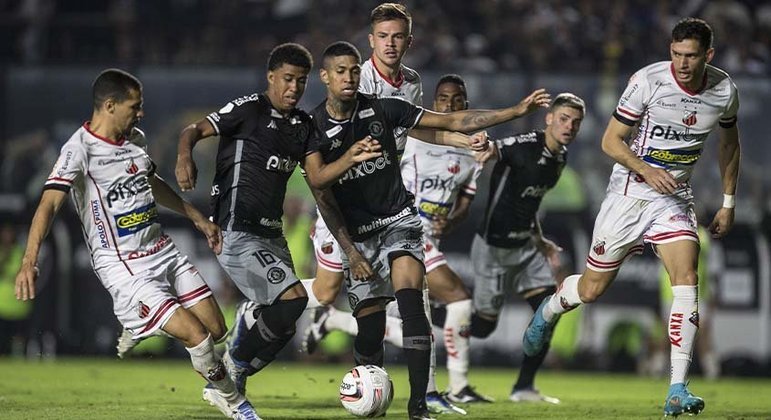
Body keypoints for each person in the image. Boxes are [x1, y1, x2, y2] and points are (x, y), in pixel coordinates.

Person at [307, 41, 549, 420]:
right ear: (324, 76)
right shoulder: (314, 127)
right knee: (369, 330)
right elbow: (321, 190)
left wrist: (516, 111)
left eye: (355, 70)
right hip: (357, 234)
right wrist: (351, 252)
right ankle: (373, 399)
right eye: (341, 71)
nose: (350, 77)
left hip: (398, 220)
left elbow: (452, 122)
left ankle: (419, 406)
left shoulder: (382, 108)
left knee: (412, 305)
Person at [522, 18, 741, 417]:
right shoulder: (648, 81)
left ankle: (677, 387)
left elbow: (729, 144)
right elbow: (610, 140)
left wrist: (727, 202)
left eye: (691, 56)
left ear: (708, 55)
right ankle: (552, 307)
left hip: (673, 199)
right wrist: (646, 169)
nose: (682, 64)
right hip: (628, 195)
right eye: (676, 55)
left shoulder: (724, 90)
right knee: (590, 291)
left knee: (687, 278)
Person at [13, 68, 258, 419]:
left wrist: (196, 217)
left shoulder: (136, 139)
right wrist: (28, 260)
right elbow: (49, 203)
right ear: (109, 105)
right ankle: (233, 402)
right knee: (198, 336)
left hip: (162, 250)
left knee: (218, 330)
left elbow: (151, 182)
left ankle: (141, 326)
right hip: (123, 266)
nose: (141, 113)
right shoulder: (78, 150)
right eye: (135, 106)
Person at [174, 43, 381, 407]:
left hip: (272, 235)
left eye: (301, 81)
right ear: (271, 77)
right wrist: (184, 157)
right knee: (292, 301)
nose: (294, 89)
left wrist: (349, 158)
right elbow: (194, 129)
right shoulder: (248, 109)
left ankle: (237, 364)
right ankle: (233, 369)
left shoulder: (302, 126)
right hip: (235, 228)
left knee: (287, 318)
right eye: (287, 79)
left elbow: (319, 182)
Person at [300, 4, 467, 414]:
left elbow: (416, 127)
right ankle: (270, 304)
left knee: (415, 296)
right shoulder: (355, 76)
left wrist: (465, 142)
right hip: (346, 206)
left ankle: (421, 397)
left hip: (390, 204)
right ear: (370, 40)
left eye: (398, 37)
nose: (391, 44)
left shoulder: (410, 81)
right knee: (325, 291)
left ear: (409, 41)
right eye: (384, 36)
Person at [304, 74, 495, 405]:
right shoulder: (414, 137)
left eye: (457, 99)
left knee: (402, 316)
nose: (451, 105)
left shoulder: (472, 154)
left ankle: (335, 322)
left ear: (466, 103)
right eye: (444, 99)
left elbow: (464, 200)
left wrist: (455, 218)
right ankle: (446, 389)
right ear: (433, 104)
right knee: (453, 302)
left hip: (421, 235)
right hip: (397, 225)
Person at [467, 93, 585, 404]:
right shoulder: (526, 144)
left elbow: (529, 203)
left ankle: (523, 387)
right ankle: (441, 314)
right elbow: (496, 149)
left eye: (575, 122)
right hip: (493, 246)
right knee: (481, 328)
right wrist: (484, 148)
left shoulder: (561, 158)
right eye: (563, 119)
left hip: (526, 247)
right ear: (549, 118)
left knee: (548, 313)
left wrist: (540, 239)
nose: (569, 126)